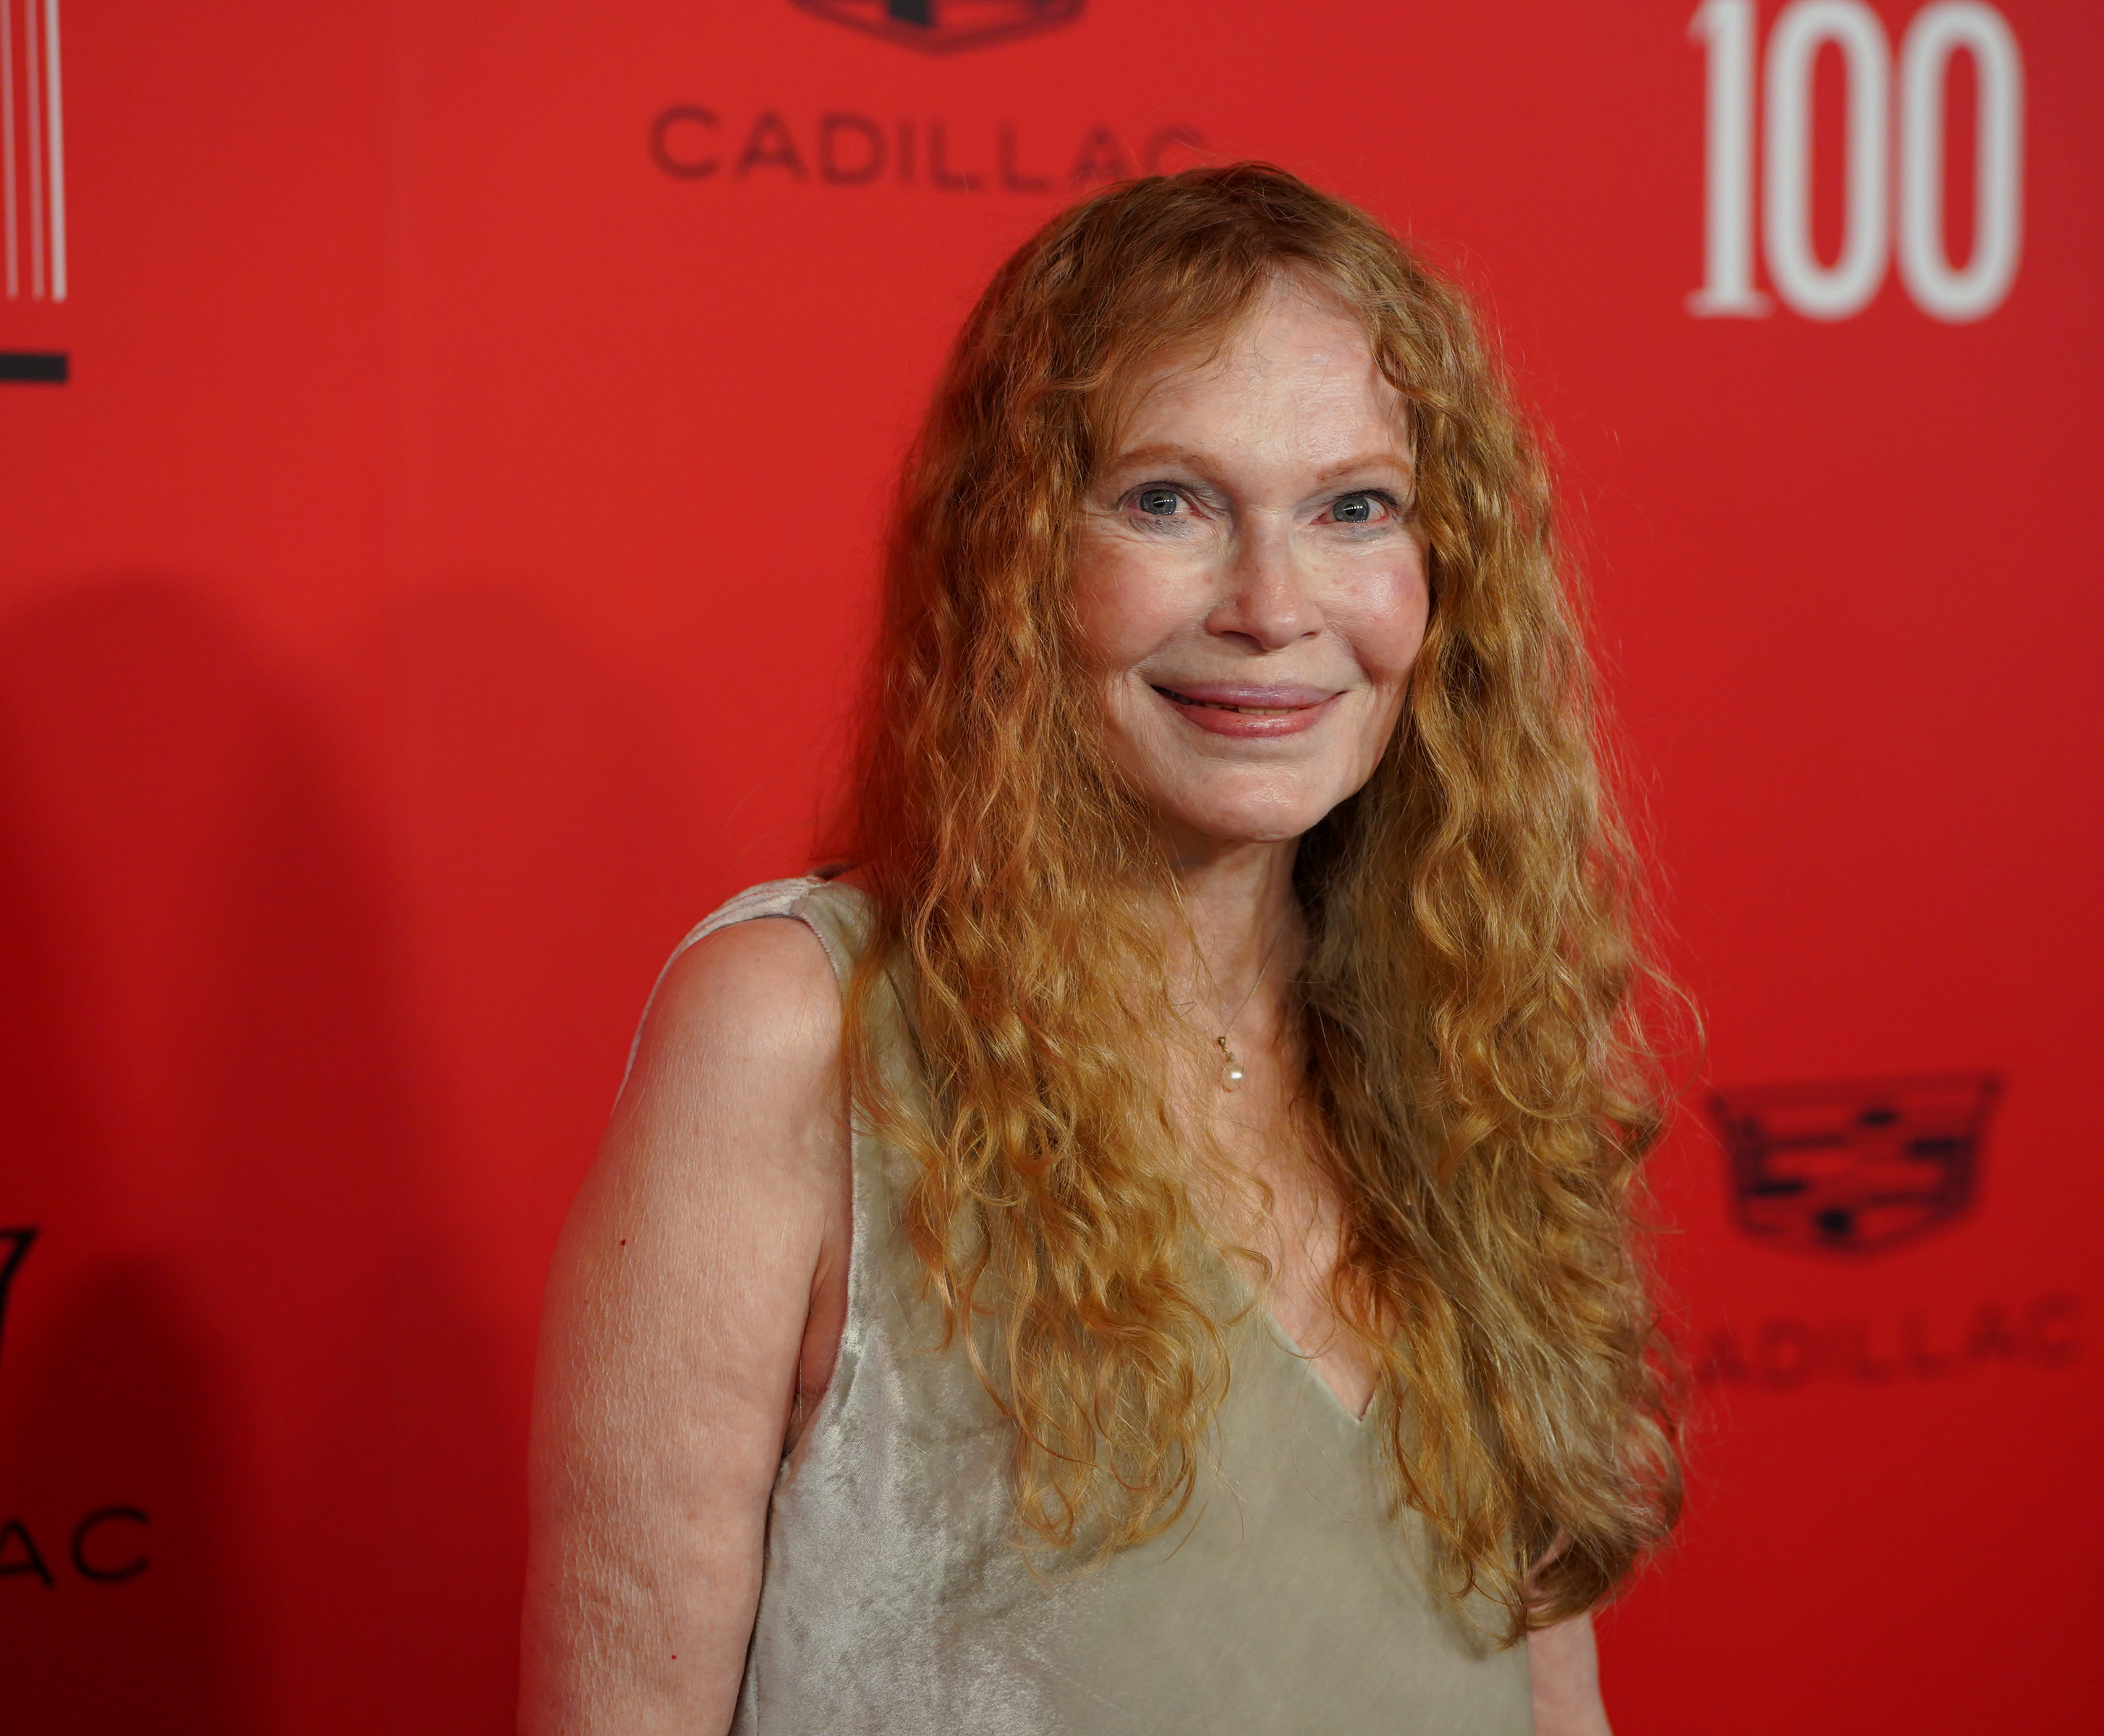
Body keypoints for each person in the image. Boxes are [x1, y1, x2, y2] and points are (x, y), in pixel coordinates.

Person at [521, 163, 1680, 1736]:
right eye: (1168, 501)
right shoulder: (802, 1030)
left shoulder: (1473, 1041)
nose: (1275, 606)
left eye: (1355, 508)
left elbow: (1552, 1699)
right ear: (1016, 564)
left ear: (1440, 578)